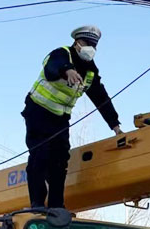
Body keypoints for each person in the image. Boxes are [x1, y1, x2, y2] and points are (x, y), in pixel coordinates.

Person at [23, 26, 123, 209]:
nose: (90, 48)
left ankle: (56, 206)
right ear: (77, 43)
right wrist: (67, 70)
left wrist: (115, 125)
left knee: (60, 161)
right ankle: (36, 203)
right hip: (38, 111)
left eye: (94, 45)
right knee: (40, 155)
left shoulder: (90, 71)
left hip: (60, 119)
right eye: (87, 43)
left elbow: (101, 98)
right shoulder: (62, 54)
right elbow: (52, 68)